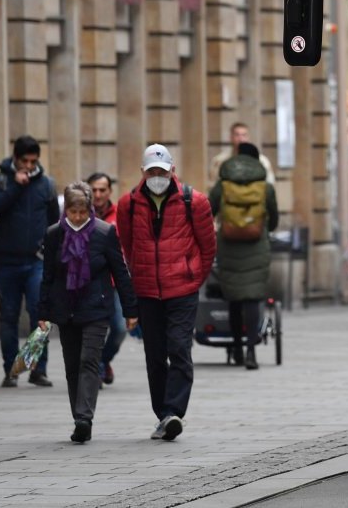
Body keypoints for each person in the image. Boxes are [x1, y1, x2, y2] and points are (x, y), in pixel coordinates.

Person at [117, 144, 216, 441]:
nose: (156, 177)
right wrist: (139, 277)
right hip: (147, 290)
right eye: (151, 172)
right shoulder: (129, 204)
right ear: (143, 173)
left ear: (172, 170)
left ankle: (174, 411)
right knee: (155, 355)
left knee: (179, 349)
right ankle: (163, 415)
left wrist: (193, 276)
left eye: (161, 171)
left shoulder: (194, 201)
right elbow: (127, 244)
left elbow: (208, 245)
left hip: (182, 289)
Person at [37, 182, 138, 444]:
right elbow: (47, 276)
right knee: (72, 364)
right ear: (66, 210)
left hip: (96, 306)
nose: (79, 217)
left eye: (83, 212)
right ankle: (78, 417)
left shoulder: (104, 233)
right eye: (73, 212)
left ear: (90, 209)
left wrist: (130, 310)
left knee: (89, 361)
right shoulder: (54, 234)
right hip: (65, 307)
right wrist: (43, 311)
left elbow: (120, 273)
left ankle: (85, 417)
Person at [0, 135, 59, 387]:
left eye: (33, 161)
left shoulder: (46, 185)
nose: (29, 166)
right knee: (8, 315)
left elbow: (54, 223)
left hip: (36, 260)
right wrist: (16, 186)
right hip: (5, 261)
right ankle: (12, 370)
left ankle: (37, 368)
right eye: (25, 161)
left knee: (40, 314)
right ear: (15, 159)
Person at [209, 142, 279, 369]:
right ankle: (251, 351)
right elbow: (274, 219)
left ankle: (237, 347)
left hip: (229, 246)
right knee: (252, 297)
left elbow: (208, 210)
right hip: (256, 246)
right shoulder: (265, 188)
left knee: (234, 298)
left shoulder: (223, 185)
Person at [87, 172, 125, 384]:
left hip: (114, 283)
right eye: (94, 190)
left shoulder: (120, 214)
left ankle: (103, 360)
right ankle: (94, 368)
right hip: (89, 284)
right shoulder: (79, 214)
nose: (98, 194)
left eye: (102, 190)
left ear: (110, 191)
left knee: (119, 328)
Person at [209, 122, 276, 186]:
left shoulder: (262, 160)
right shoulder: (220, 160)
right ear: (231, 137)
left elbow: (270, 183)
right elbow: (213, 184)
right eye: (237, 135)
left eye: (244, 135)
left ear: (248, 137)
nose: (240, 139)